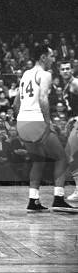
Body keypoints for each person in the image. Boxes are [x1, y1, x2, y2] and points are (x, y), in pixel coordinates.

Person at [14, 45, 77, 212]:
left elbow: (16, 103)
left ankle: (33, 201)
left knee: (38, 160)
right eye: (51, 56)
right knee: (62, 158)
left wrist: (20, 122)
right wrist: (47, 122)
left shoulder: (26, 74)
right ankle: (58, 199)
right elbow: (42, 99)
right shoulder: (45, 74)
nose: (53, 59)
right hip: (36, 120)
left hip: (22, 121)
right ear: (43, 57)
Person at [60, 60, 78, 201]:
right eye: (63, 69)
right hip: (74, 122)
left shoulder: (75, 83)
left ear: (72, 70)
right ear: (60, 71)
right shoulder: (66, 86)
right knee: (72, 155)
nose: (65, 71)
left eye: (68, 68)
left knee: (69, 154)